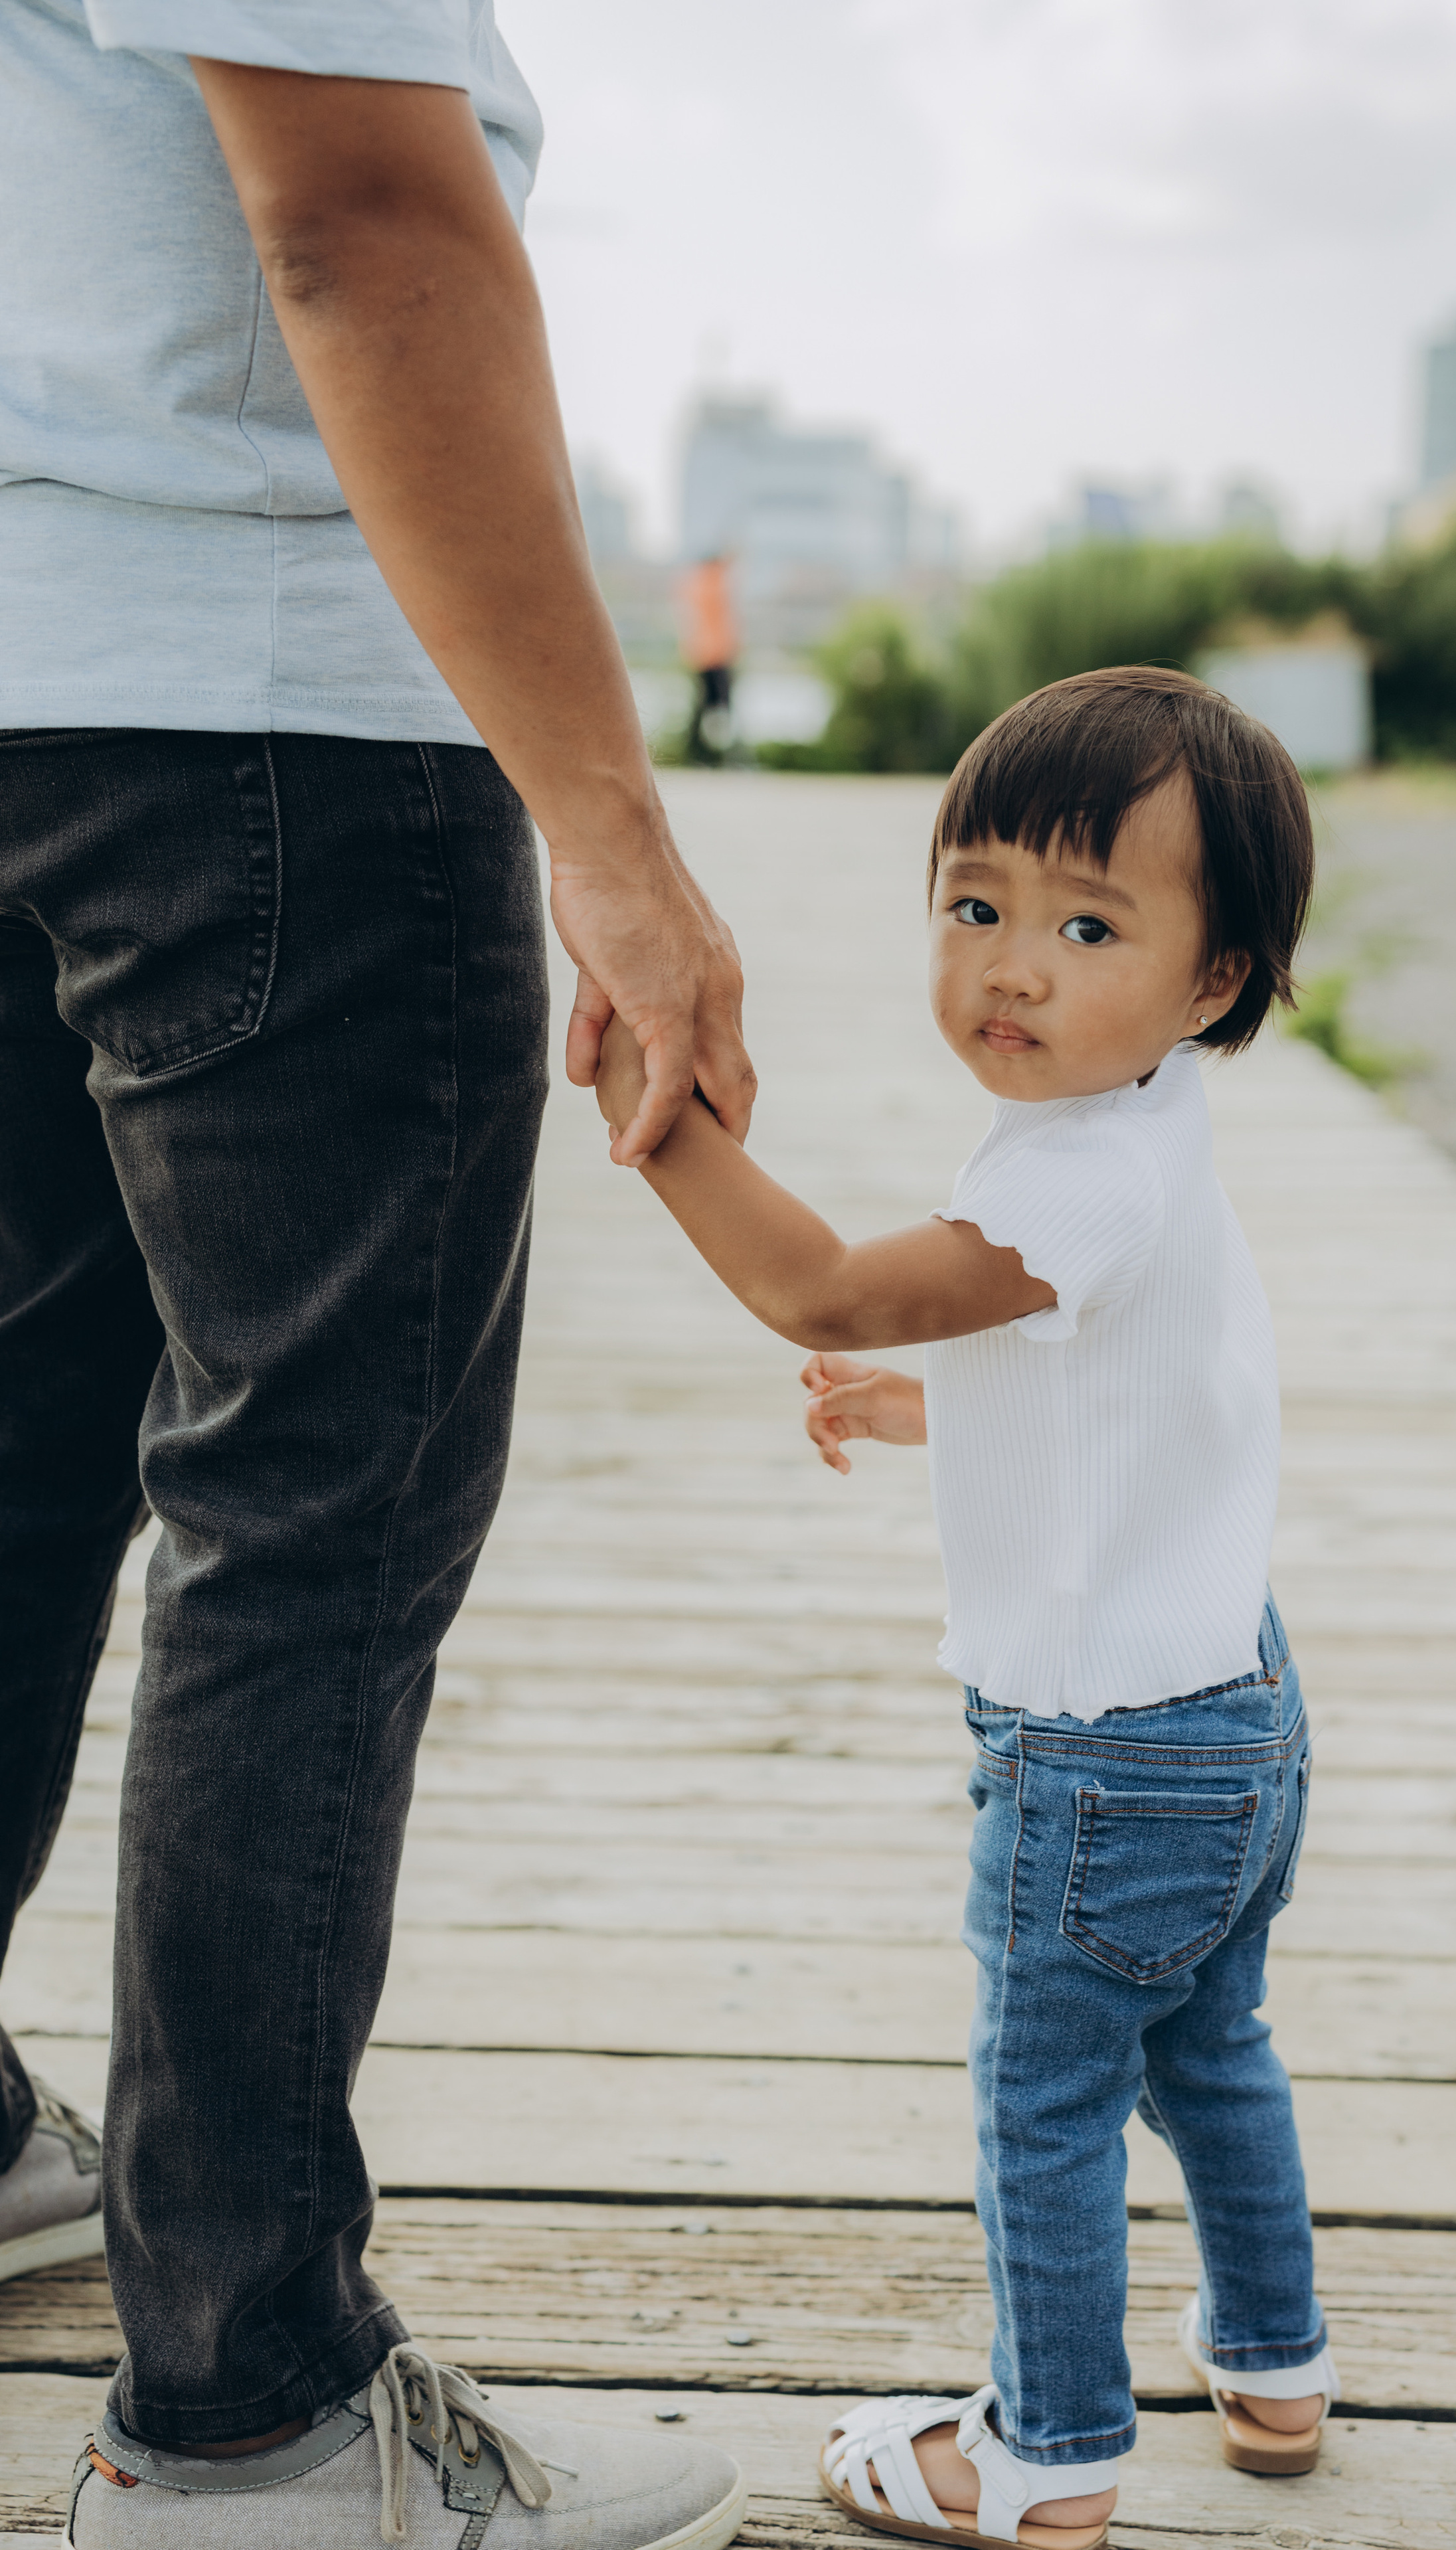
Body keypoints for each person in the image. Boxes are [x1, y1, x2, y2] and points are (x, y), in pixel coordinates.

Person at [0, 3, 754, 2542]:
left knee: (17, 1460)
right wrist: (612, 832)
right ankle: (250, 2422)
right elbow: (360, 220)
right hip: (270, 735)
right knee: (306, 1536)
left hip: (25, 700)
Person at [594, 666, 1338, 2543]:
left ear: (1215, 983)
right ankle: (1274, 2360)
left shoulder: (1075, 1177)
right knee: (1209, 2046)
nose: (1013, 965)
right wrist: (949, 1411)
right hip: (1234, 1710)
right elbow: (1140, 1391)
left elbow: (830, 1288)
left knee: (1045, 2109)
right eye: (976, 904)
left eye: (1090, 926)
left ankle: (1049, 2454)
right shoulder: (1149, 1140)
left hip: (1100, 1764)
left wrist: (656, 1112)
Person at [677, 554, 740, 763]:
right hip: (716, 655)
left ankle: (700, 754)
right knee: (721, 705)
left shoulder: (696, 582)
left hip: (702, 654)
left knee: (705, 706)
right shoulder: (714, 583)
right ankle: (718, 755)